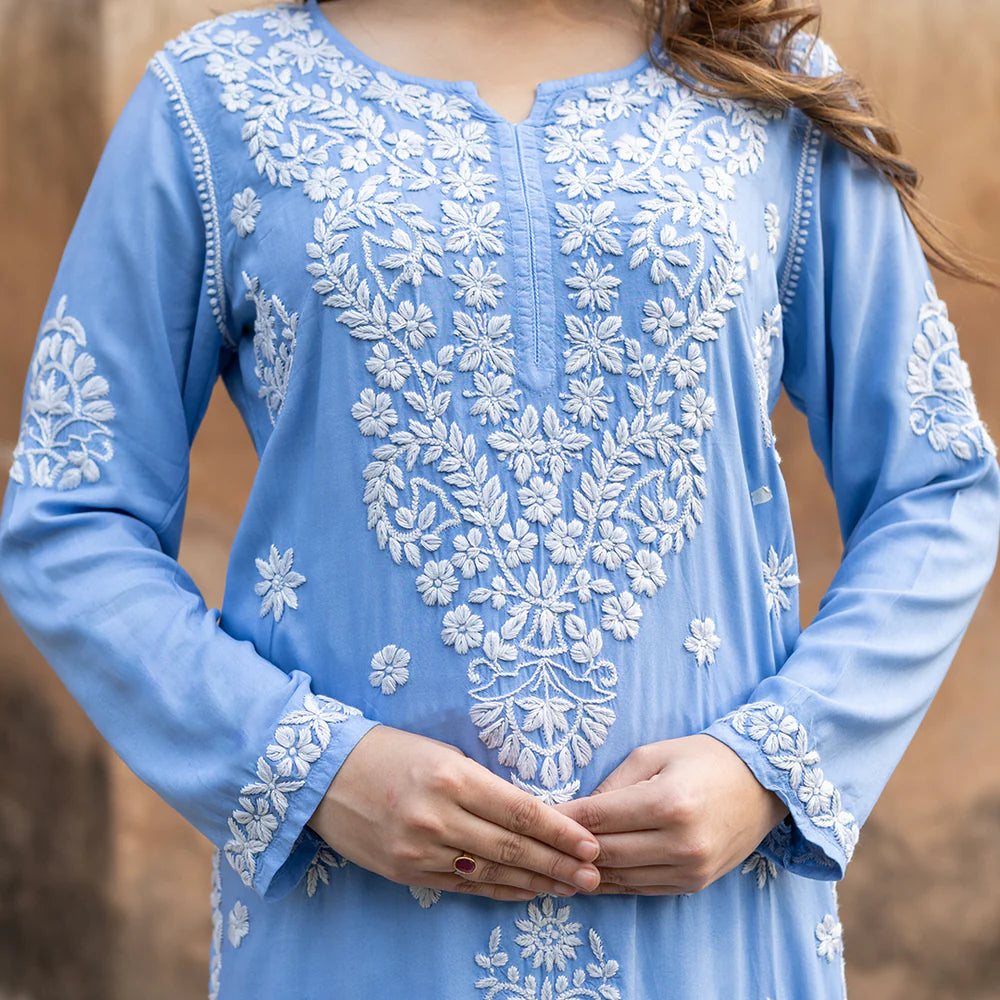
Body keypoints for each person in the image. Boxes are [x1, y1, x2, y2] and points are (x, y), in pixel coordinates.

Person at [1, 0, 997, 996]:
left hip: (710, 941)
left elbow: (939, 486)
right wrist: (311, 770)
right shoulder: (212, 101)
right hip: (355, 933)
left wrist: (771, 768)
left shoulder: (762, 86)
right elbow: (70, 522)